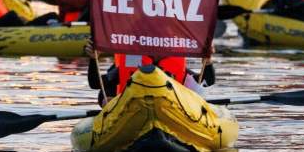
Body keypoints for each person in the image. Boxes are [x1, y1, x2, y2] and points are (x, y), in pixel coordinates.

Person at [85, 41, 215, 106]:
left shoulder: (176, 65)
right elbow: (96, 84)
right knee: (107, 98)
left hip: (171, 114)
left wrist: (207, 62)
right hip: (131, 115)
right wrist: (93, 59)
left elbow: (206, 82)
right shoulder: (132, 61)